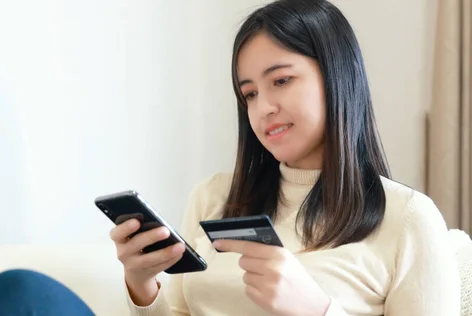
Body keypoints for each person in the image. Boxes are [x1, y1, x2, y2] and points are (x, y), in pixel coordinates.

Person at [109, 0, 461, 315]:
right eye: (249, 94)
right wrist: (142, 287)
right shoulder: (212, 198)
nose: (263, 108)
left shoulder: (407, 218)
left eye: (281, 80)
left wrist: (317, 310)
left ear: (337, 76)